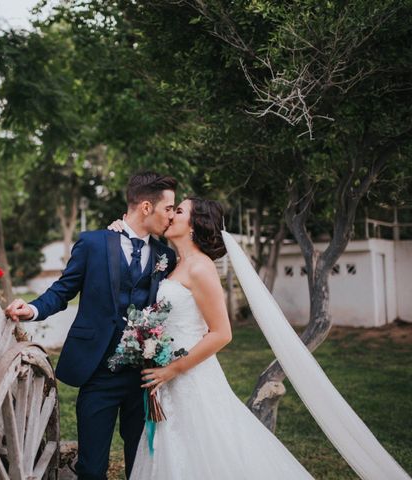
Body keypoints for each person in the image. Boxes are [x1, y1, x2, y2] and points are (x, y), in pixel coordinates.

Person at [109, 197, 314, 479]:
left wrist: (173, 369)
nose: (170, 215)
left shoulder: (201, 267)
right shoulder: (173, 264)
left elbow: (222, 333)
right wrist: (122, 229)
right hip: (166, 376)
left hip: (189, 376)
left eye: (178, 211)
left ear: (194, 225)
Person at [5, 172, 178, 480]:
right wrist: (31, 309)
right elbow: (63, 290)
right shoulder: (94, 243)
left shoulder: (166, 255)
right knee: (92, 467)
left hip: (145, 376)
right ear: (147, 207)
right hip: (97, 370)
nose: (172, 215)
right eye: (169, 208)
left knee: (143, 465)